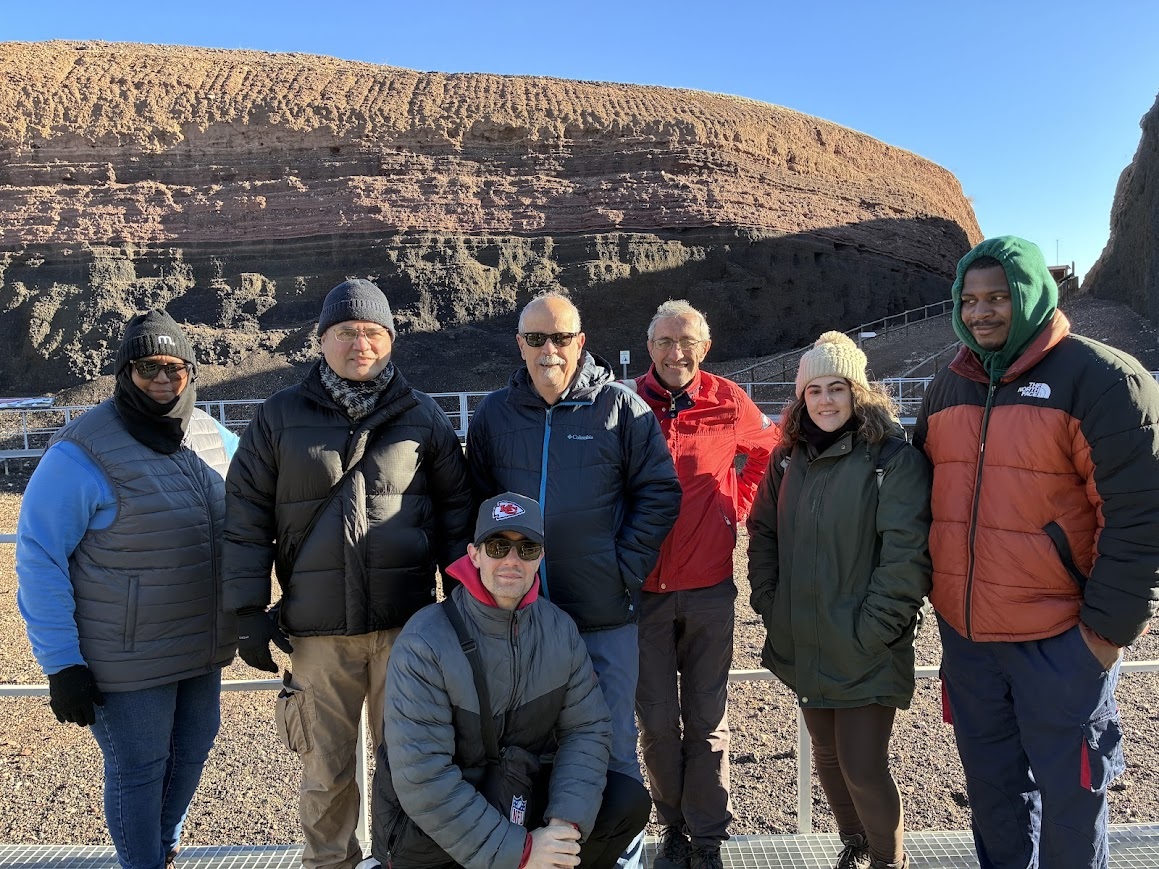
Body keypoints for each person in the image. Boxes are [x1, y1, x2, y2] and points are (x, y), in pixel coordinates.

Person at [914, 236, 1159, 869]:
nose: (980, 313)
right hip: (970, 644)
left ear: (1030, 296)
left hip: (1061, 642)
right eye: (969, 300)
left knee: (1072, 810)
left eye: (997, 297)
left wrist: (1103, 637)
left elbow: (1139, 520)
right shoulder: (948, 384)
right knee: (995, 802)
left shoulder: (1101, 379)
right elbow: (918, 498)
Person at [222, 279, 473, 869]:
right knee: (325, 776)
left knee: (410, 769)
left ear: (391, 340)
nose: (360, 343)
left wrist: (464, 604)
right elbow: (246, 515)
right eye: (345, 332)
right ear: (321, 340)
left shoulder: (422, 417)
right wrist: (246, 610)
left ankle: (404, 862)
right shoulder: (279, 416)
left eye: (372, 332)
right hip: (318, 635)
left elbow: (457, 514)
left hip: (407, 630)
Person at [16, 309, 238, 869]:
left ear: (191, 372)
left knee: (192, 751)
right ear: (124, 372)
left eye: (175, 367)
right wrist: (61, 664)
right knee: (139, 768)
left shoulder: (209, 434)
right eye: (147, 367)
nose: (163, 379)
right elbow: (39, 557)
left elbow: (272, 484)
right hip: (126, 652)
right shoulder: (81, 451)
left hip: (200, 640)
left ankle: (162, 849)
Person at [465, 291, 680, 869]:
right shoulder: (494, 415)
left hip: (602, 614)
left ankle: (620, 856)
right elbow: (474, 506)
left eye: (560, 338)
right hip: (520, 618)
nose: (549, 350)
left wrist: (621, 569)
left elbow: (659, 492)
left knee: (611, 747)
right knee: (524, 750)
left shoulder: (620, 408)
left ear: (580, 342)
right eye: (536, 339)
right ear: (520, 345)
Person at [373, 492, 652, 869]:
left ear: (541, 557)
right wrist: (521, 852)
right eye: (497, 546)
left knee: (625, 800)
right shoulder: (425, 640)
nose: (511, 560)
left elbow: (587, 730)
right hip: (436, 828)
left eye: (526, 548)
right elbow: (425, 778)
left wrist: (563, 826)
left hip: (516, 796)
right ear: (474, 554)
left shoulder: (559, 630)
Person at [748, 331, 931, 869]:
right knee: (827, 754)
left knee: (862, 764)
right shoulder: (788, 460)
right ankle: (854, 843)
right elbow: (763, 532)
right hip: (805, 634)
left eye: (837, 388)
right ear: (801, 397)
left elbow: (906, 555)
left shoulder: (892, 460)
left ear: (859, 391)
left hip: (865, 641)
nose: (825, 401)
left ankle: (888, 860)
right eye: (814, 390)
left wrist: (873, 630)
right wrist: (770, 602)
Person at [629, 300, 778, 869]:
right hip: (643, 591)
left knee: (707, 721)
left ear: (705, 348)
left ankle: (709, 837)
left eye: (687, 341)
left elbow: (768, 452)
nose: (676, 352)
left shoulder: (728, 400)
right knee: (657, 723)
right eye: (666, 341)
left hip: (709, 587)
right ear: (649, 348)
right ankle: (672, 827)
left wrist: (734, 508)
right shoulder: (625, 403)